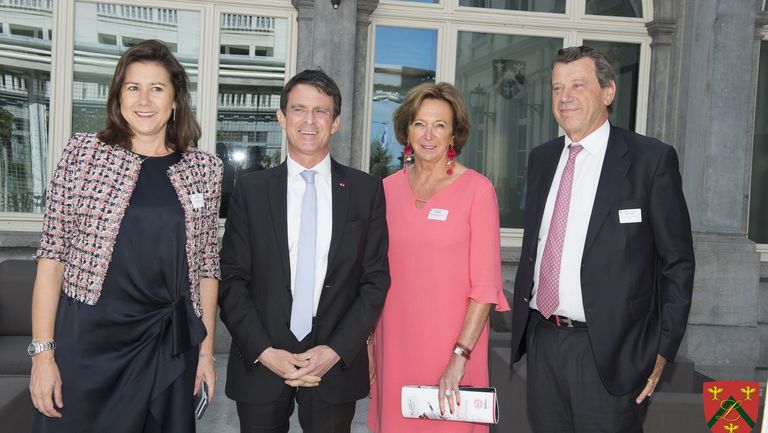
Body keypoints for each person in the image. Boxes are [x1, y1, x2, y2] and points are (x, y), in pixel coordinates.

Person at [28, 39, 222, 432]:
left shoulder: (204, 169)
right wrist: (43, 355)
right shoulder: (82, 155)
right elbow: (52, 258)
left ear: (175, 100)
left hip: (167, 345)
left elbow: (207, 268)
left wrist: (205, 353)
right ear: (118, 98)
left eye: (157, 88)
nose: (144, 100)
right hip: (88, 342)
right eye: (133, 87)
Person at [510, 45, 695, 432]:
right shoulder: (542, 159)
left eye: (578, 85)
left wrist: (663, 348)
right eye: (557, 88)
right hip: (544, 341)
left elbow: (677, 263)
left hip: (611, 351)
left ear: (608, 92)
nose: (565, 97)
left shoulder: (650, 160)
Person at [218, 69, 390, 433]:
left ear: (335, 122)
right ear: (282, 117)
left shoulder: (366, 191)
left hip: (334, 363)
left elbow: (375, 281)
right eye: (298, 109)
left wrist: (336, 351)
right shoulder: (250, 190)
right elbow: (231, 280)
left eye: (320, 111)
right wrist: (265, 352)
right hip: (261, 359)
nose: (309, 121)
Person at [367, 82, 511, 433]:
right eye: (420, 123)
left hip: (454, 347)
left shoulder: (478, 191)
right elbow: (371, 275)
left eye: (440, 125)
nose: (428, 135)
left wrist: (459, 356)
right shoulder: (385, 190)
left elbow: (485, 287)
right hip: (394, 345)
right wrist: (369, 345)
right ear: (407, 131)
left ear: (454, 135)